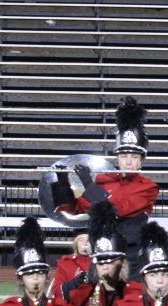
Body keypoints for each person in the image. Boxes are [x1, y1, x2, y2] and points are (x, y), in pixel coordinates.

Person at [52, 97, 159, 249]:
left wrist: (89, 185)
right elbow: (75, 209)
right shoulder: (104, 180)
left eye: (134, 157)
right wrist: (63, 184)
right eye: (123, 156)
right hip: (101, 249)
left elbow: (117, 210)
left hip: (131, 251)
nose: (128, 162)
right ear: (117, 158)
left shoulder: (148, 187)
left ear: (141, 161)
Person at [50, 227, 90, 298]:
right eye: (81, 240)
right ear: (76, 243)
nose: (85, 244)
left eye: (88, 240)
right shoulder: (65, 264)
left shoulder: (100, 263)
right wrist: (71, 284)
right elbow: (56, 291)